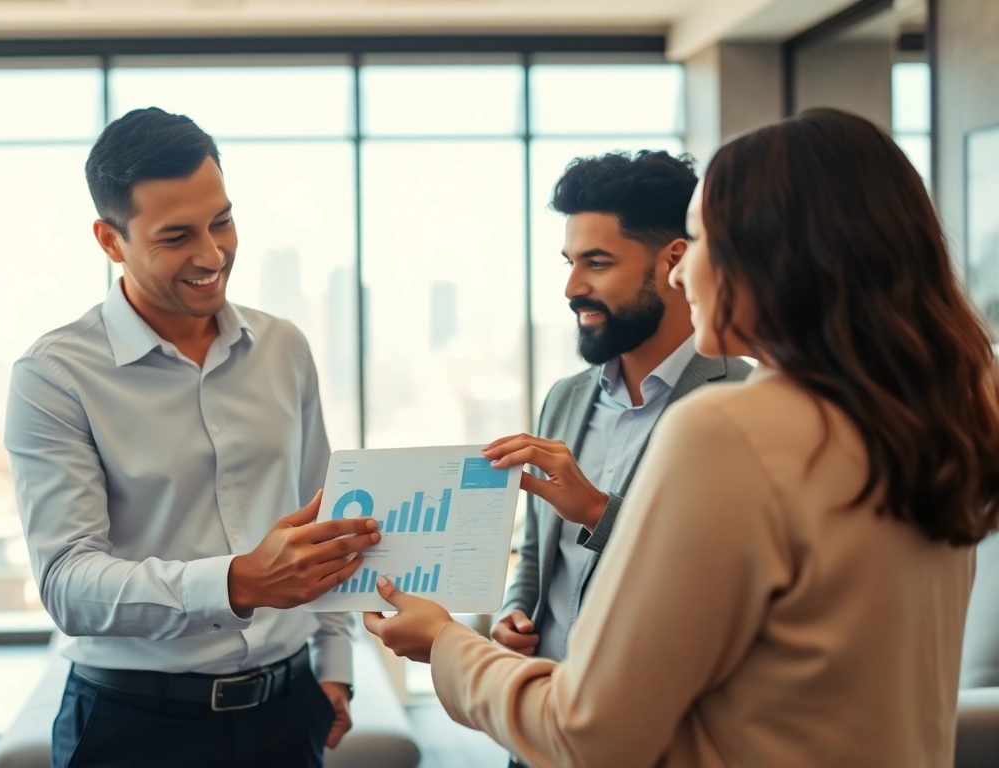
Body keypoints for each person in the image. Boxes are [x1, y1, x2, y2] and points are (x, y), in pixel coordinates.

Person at [365, 108, 999, 767]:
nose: (678, 273)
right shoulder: (932, 423)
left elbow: (590, 732)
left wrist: (445, 644)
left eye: (697, 241)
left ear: (774, 256)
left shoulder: (728, 427)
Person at [4, 107, 376, 768]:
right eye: (176, 236)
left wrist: (334, 666)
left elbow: (322, 517)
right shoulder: (55, 375)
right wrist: (239, 582)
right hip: (133, 728)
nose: (212, 255)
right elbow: (67, 583)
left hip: (288, 710)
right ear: (110, 240)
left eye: (221, 221)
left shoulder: (284, 348)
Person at [492, 151, 750, 675]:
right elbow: (538, 550)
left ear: (674, 261)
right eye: (570, 263)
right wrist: (515, 610)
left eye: (597, 263)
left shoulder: (743, 402)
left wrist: (596, 511)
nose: (572, 288)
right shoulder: (564, 398)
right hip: (541, 706)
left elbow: (720, 572)